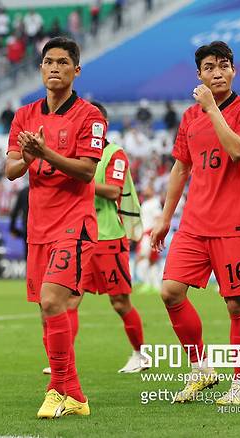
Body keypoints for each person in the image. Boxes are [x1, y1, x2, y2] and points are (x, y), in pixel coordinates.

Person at [150, 41, 240, 406]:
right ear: (199, 74)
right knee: (169, 291)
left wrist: (212, 108)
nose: (217, 72)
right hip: (195, 223)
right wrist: (165, 219)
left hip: (234, 224)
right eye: (210, 67)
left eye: (224, 66)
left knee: (236, 306)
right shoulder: (188, 117)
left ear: (234, 70)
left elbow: (237, 150)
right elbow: (181, 167)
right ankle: (201, 369)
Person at [5, 36, 106, 418]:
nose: (54, 68)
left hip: (75, 225)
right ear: (40, 68)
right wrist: (29, 155)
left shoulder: (90, 116)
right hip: (39, 228)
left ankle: (55, 390)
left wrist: (46, 152)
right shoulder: (24, 115)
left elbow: (86, 171)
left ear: (76, 70)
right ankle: (75, 394)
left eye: (63, 62)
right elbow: (11, 170)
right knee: (47, 312)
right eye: (49, 62)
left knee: (52, 301)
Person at [73, 101, 148, 374]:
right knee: (70, 299)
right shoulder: (76, 155)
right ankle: (62, 361)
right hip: (79, 237)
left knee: (120, 302)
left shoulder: (115, 154)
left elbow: (114, 191)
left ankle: (141, 354)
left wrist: (79, 178)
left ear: (102, 125)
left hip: (108, 238)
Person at [9, 185, 29, 257]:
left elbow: (15, 211)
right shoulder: (42, 190)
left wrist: (12, 229)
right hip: (42, 227)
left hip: (28, 227)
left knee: (28, 255)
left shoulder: (23, 192)